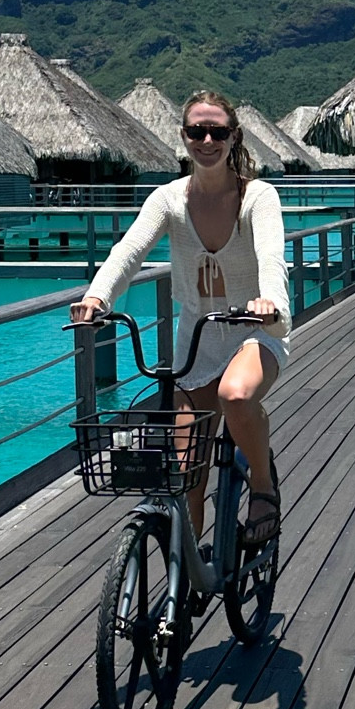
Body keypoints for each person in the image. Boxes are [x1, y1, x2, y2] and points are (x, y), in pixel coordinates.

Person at [70, 90, 288, 545]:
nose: (207, 140)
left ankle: (264, 489)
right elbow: (129, 251)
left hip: (256, 332)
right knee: (185, 471)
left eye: (217, 131)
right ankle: (183, 578)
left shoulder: (258, 197)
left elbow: (271, 256)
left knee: (235, 393)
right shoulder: (169, 199)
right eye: (196, 131)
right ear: (183, 137)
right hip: (197, 339)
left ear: (234, 137)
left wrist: (269, 300)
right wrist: (97, 298)